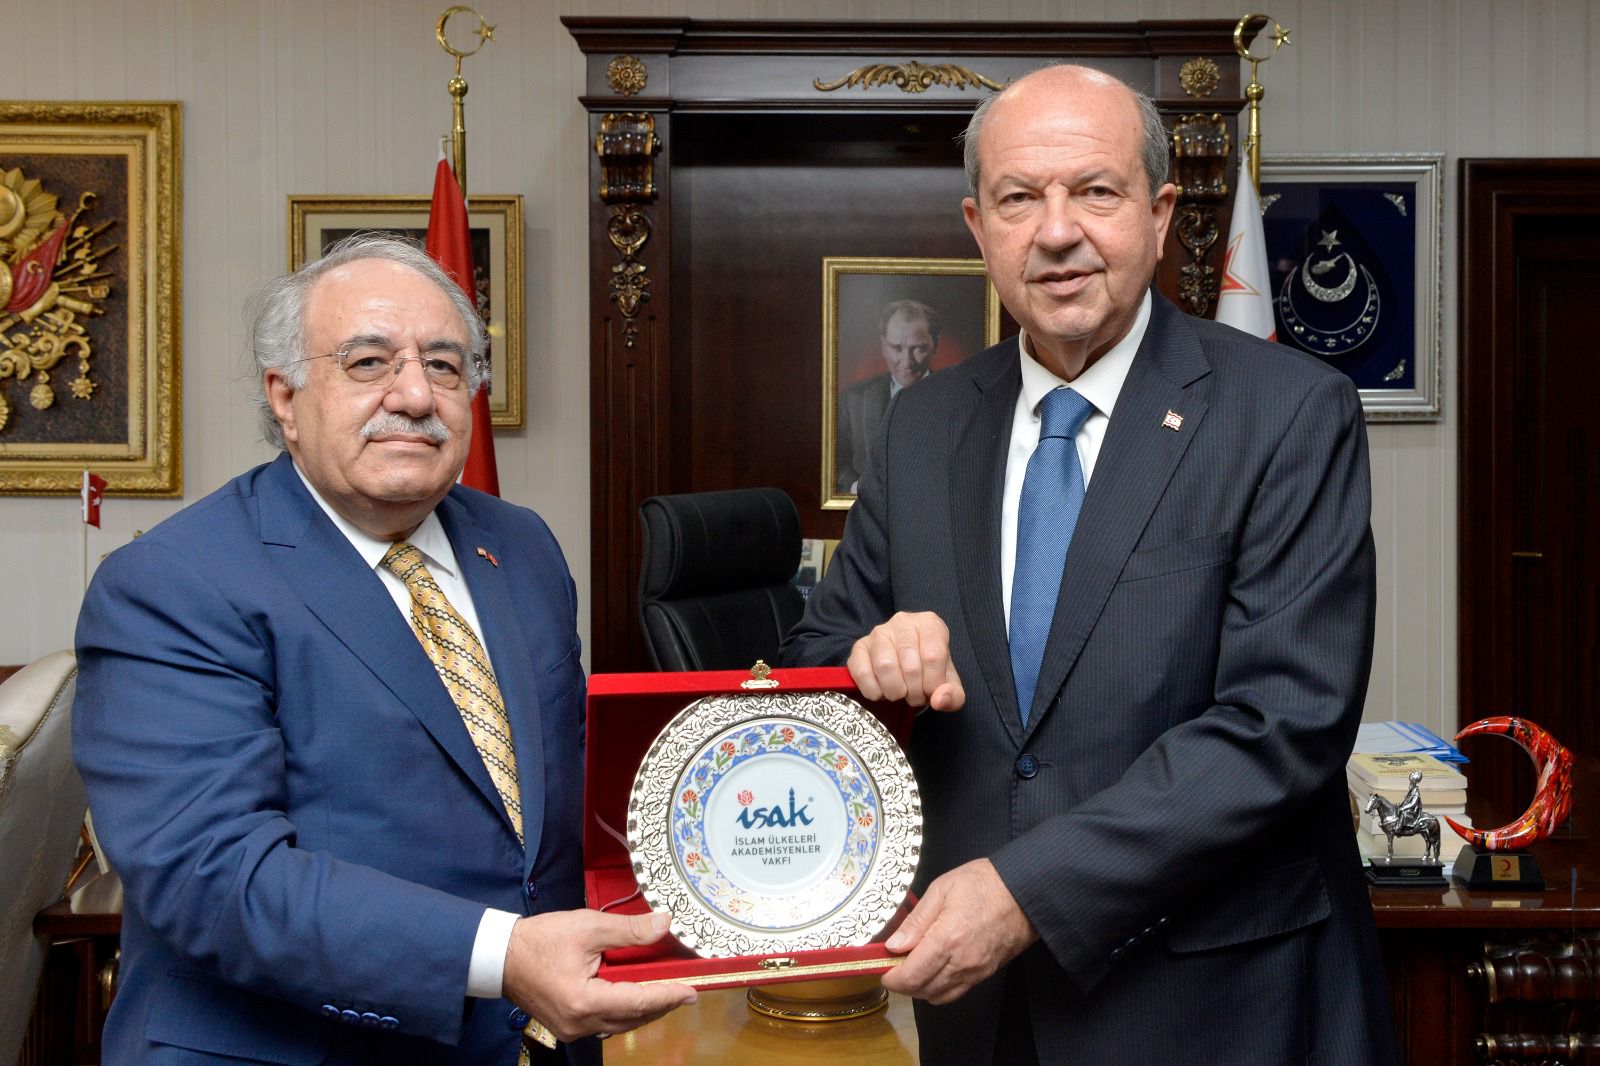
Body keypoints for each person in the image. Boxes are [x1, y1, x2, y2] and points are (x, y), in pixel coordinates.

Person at [780, 66, 1399, 1065]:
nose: (1057, 231)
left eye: (1096, 192)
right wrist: (869, 659)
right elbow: (812, 666)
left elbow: (1281, 723)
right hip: (977, 1011)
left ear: (1159, 214)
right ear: (979, 227)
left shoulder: (1286, 412)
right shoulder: (923, 426)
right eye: (1019, 198)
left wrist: (1026, 894)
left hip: (1208, 1002)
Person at [73, 234, 695, 1064]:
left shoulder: (520, 546)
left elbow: (567, 796)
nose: (415, 394)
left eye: (444, 365)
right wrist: (502, 957)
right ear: (285, 396)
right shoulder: (174, 581)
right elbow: (214, 874)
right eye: (368, 362)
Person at [836, 299, 940, 493]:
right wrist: (857, 489)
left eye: (918, 348)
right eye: (896, 348)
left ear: (935, 346)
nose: (907, 362)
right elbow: (835, 464)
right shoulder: (853, 401)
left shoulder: (961, 400)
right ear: (883, 347)